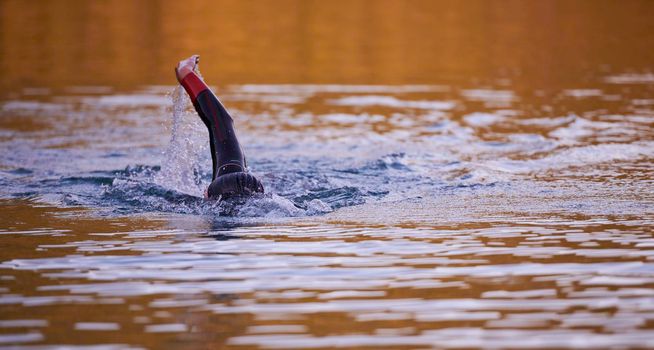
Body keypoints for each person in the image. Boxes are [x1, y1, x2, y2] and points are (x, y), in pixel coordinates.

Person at [175, 55, 264, 200]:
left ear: (207, 195)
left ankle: (185, 72)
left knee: (223, 123)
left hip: (237, 180)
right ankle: (185, 73)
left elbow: (221, 120)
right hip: (240, 185)